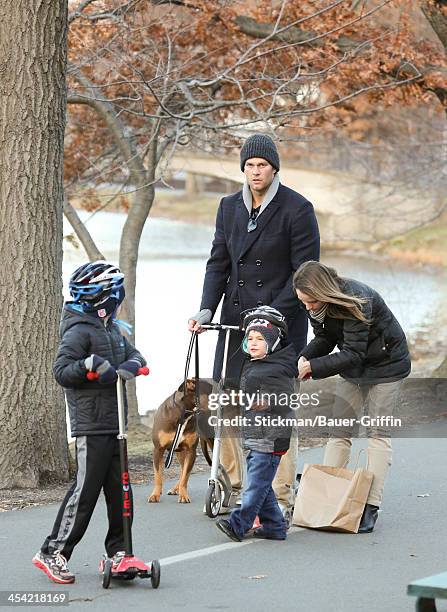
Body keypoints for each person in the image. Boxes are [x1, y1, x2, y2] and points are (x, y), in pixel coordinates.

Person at [188, 134, 320, 515]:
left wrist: (269, 316)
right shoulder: (229, 207)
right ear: (242, 169)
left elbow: (305, 273)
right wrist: (205, 310)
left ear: (274, 168)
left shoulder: (297, 208)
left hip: (281, 323)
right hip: (234, 322)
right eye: (249, 166)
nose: (255, 171)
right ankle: (232, 483)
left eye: (261, 165)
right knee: (227, 403)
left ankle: (280, 494)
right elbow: (218, 262)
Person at [32, 261, 146, 584]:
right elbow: (62, 371)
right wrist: (90, 364)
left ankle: (120, 552)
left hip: (117, 424)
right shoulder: (78, 329)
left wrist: (129, 367)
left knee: (119, 489)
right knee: (85, 492)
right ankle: (53, 551)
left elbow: (136, 355)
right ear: (104, 298)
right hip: (92, 424)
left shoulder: (111, 328)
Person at [294, 260, 411, 533]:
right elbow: (325, 338)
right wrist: (305, 355)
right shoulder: (316, 306)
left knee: (377, 433)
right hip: (354, 367)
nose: (308, 307)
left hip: (387, 365)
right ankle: (329, 494)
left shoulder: (358, 299)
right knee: (340, 430)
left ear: (323, 292)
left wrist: (316, 368)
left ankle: (371, 505)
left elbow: (354, 352)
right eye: (303, 302)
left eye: (311, 301)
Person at [216, 307, 297, 542]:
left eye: (260, 339)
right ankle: (274, 526)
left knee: (255, 486)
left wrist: (262, 403)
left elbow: (285, 400)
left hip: (271, 438)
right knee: (262, 486)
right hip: (256, 434)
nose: (253, 343)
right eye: (250, 338)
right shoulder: (256, 364)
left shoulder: (278, 368)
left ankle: (238, 524)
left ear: (272, 343)